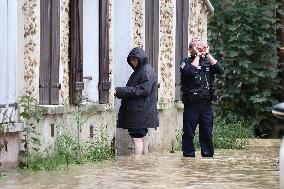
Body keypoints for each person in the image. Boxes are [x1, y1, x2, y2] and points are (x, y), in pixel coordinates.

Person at [180, 39, 224, 157]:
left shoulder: (208, 61)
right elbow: (190, 72)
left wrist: (207, 54)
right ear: (190, 49)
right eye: (196, 45)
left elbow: (220, 70)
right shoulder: (186, 62)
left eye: (201, 44)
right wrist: (198, 56)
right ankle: (188, 157)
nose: (200, 46)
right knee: (189, 132)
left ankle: (208, 155)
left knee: (207, 132)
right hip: (191, 104)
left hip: (206, 104)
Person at [115, 47, 159, 156]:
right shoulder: (143, 70)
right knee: (143, 138)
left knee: (137, 139)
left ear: (140, 59)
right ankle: (143, 164)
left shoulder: (144, 70)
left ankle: (137, 164)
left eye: (135, 59)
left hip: (140, 112)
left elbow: (143, 90)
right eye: (131, 60)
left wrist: (119, 91)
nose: (132, 62)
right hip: (142, 111)